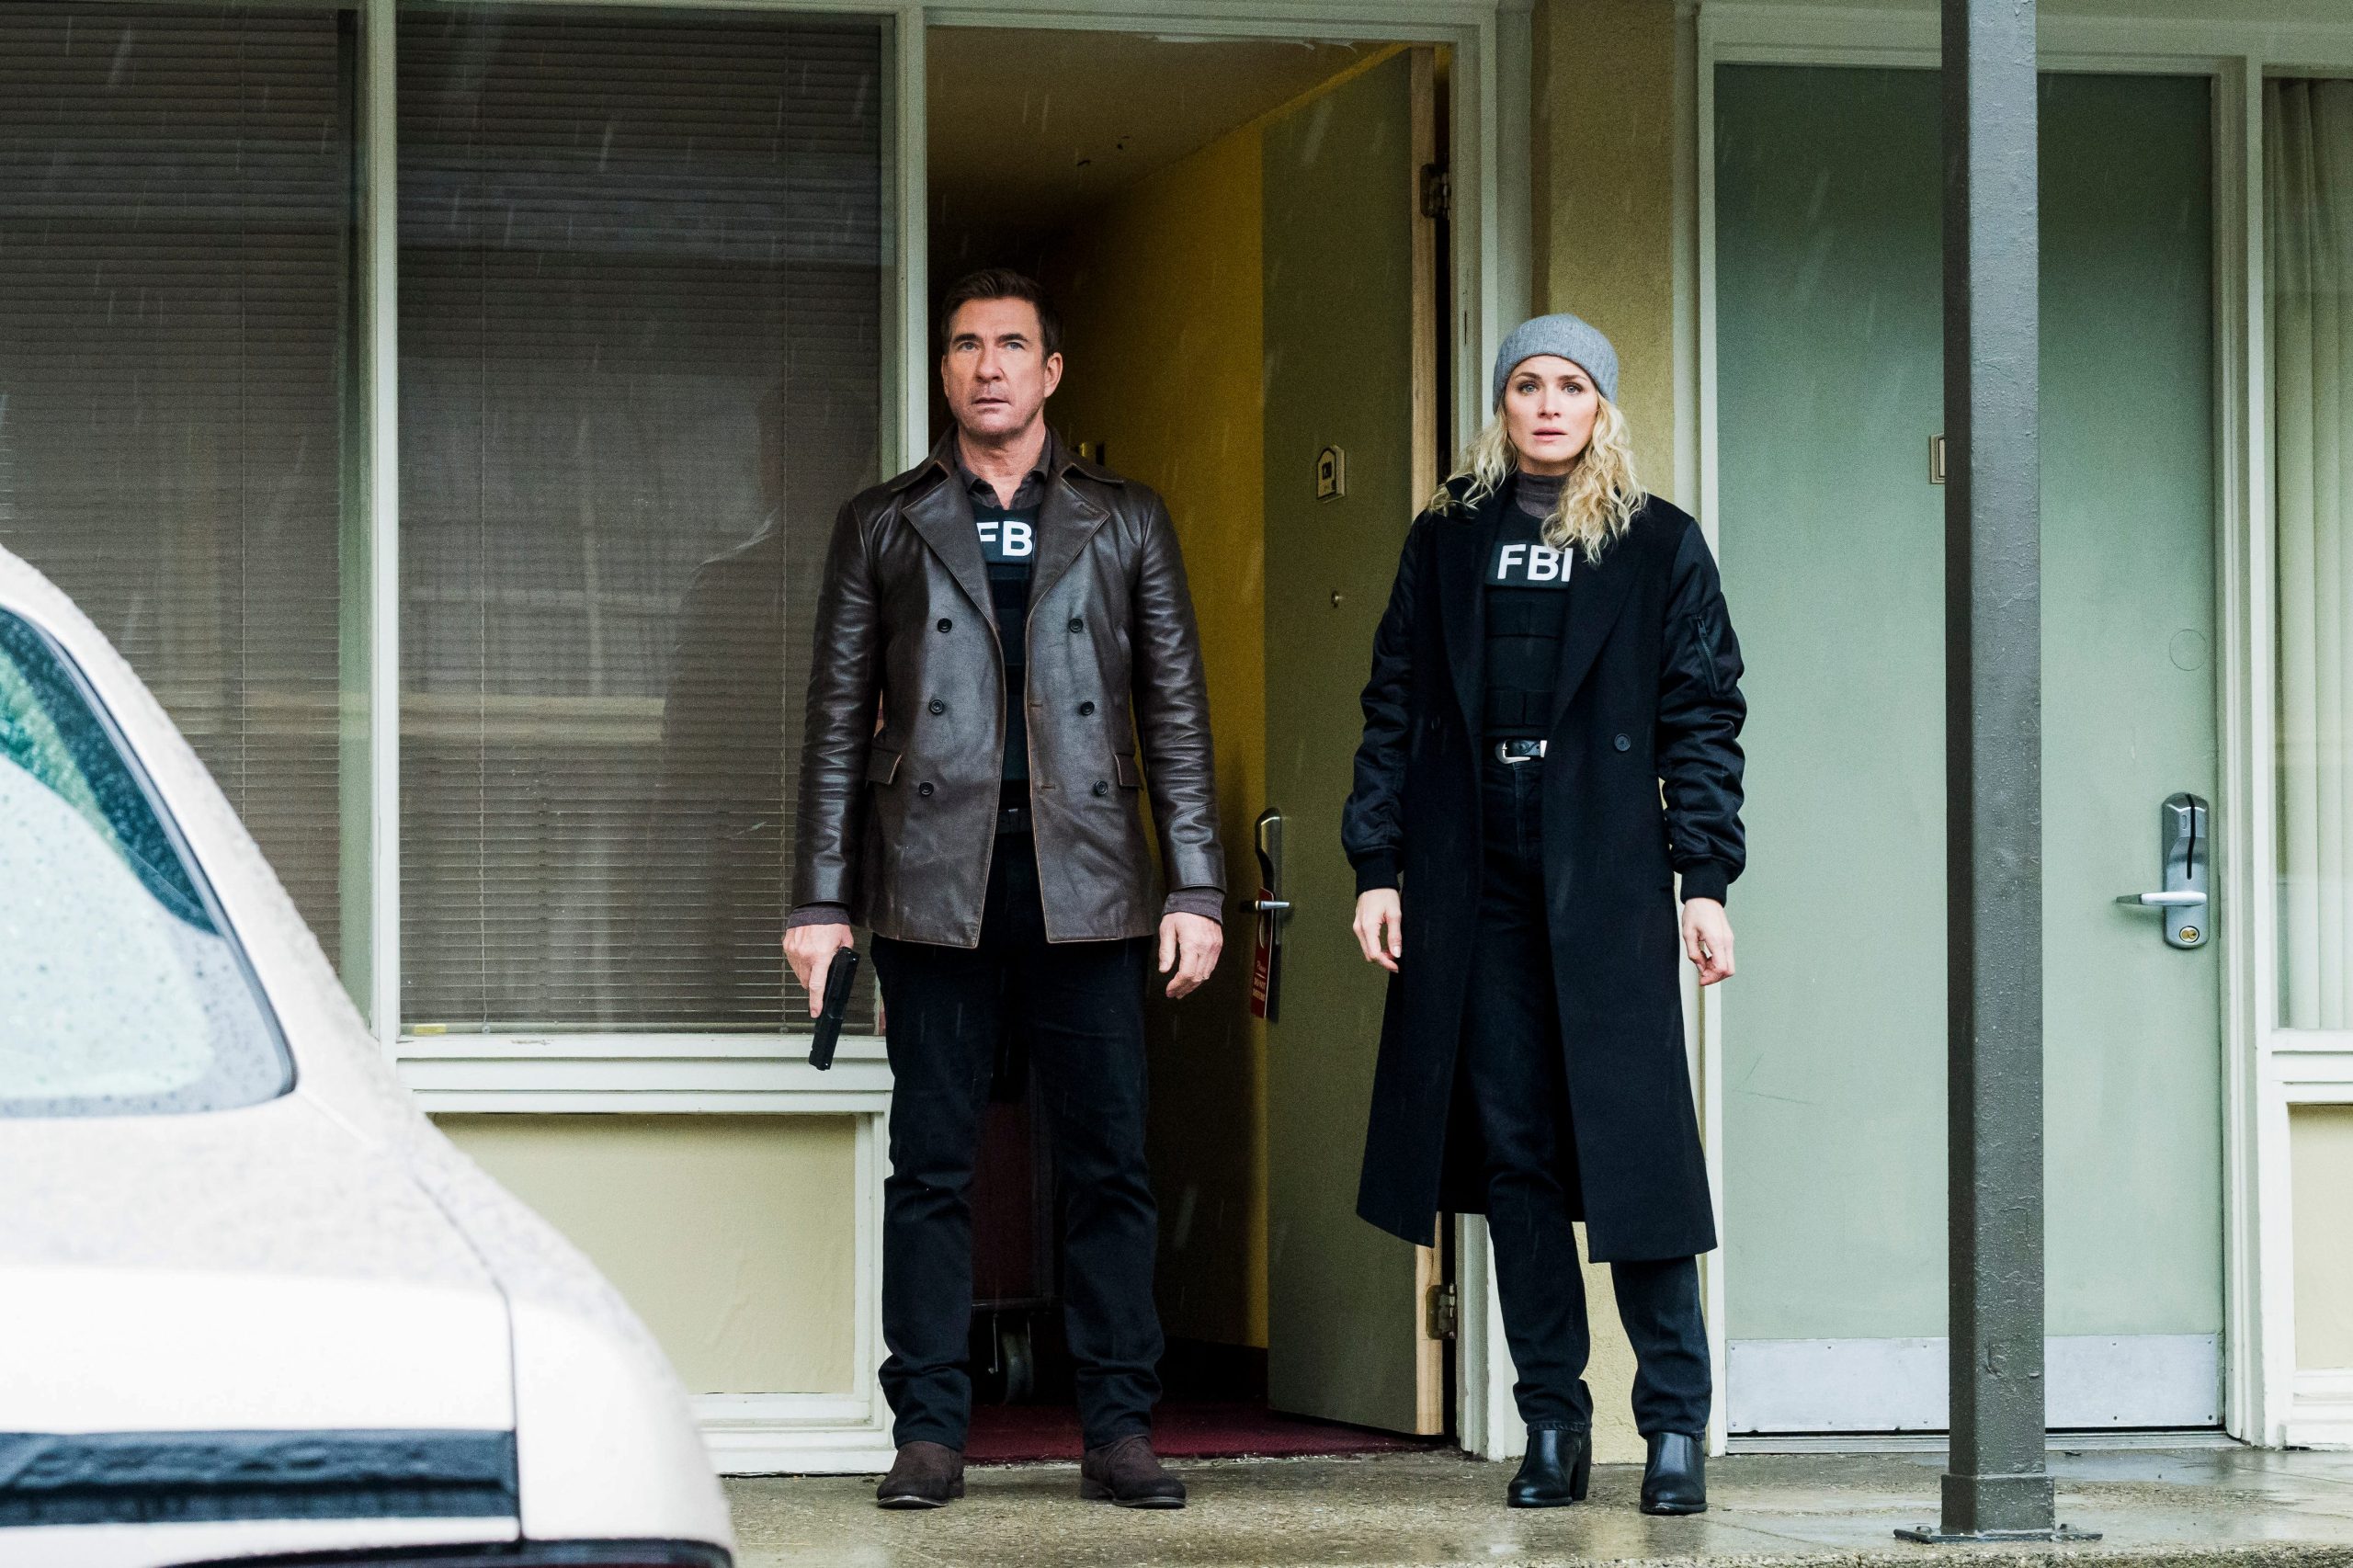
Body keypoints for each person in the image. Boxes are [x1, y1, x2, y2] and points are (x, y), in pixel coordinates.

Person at [784, 268, 1225, 1512]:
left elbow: (1176, 714)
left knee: (1109, 1163)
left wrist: (1196, 885)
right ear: (944, 370)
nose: (989, 366)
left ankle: (1120, 1427)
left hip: (1090, 880)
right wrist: (819, 901)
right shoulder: (883, 521)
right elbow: (834, 722)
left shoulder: (1127, 518)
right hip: (936, 881)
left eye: (1013, 345)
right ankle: (929, 1429)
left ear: (1052, 370)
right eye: (968, 345)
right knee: (932, 1165)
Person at [1341, 313, 1745, 1514]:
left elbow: (1703, 718)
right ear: (1503, 405)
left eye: (1572, 385)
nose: (1550, 404)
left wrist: (1705, 882)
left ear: (1601, 406)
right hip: (1472, 877)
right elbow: (1393, 706)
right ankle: (1553, 1423)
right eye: (1529, 384)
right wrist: (1378, 866)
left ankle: (1672, 1427)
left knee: (1634, 1147)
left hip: (1606, 873)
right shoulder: (1448, 537)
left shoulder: (1657, 542)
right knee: (1516, 1153)